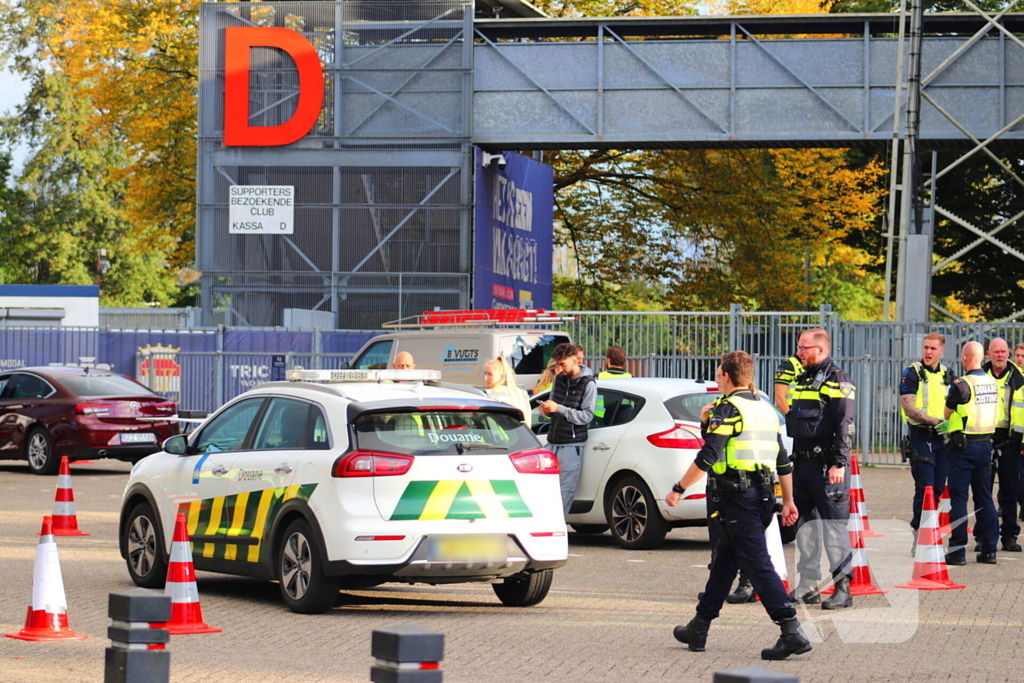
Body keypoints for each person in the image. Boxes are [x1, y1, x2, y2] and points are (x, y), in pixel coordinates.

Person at [668, 351, 810, 661]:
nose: (717, 379)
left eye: (719, 374)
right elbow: (782, 461)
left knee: (758, 564)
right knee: (724, 563)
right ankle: (699, 627)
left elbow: (709, 455)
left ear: (728, 376)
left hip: (736, 498)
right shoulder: (765, 409)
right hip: (761, 497)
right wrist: (788, 501)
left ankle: (791, 630)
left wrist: (679, 488)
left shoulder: (729, 409)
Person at [785, 328, 855, 610]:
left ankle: (843, 588)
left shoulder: (837, 379)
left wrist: (839, 462)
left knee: (833, 527)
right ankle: (808, 584)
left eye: (804, 348)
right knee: (806, 528)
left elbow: (844, 424)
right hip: (803, 463)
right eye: (799, 348)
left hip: (827, 465)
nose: (799, 353)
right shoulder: (802, 379)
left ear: (820, 350)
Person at [940, 341, 999, 565]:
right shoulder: (992, 383)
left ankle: (957, 552)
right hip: (985, 446)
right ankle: (989, 550)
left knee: (959, 499)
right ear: (983, 358)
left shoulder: (962, 385)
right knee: (985, 498)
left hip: (962, 449)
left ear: (964, 358)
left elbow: (947, 414)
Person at [900, 332, 956, 555]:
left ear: (942, 351)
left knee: (939, 489)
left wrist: (951, 425)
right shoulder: (912, 372)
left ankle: (931, 535)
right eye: (926, 347)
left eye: (933, 348)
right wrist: (936, 421)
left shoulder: (948, 374)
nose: (928, 352)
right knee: (925, 488)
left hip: (942, 439)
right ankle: (919, 537)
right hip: (921, 436)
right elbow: (908, 408)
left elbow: (956, 404)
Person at [540, 343, 597, 518]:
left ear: (574, 360)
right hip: (553, 441)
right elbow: (554, 407)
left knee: (564, 491)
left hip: (572, 444)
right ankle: (545, 524)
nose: (560, 369)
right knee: (544, 488)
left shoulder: (588, 383)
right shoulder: (559, 379)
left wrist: (559, 408)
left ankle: (558, 526)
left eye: (563, 364)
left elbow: (586, 416)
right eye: (558, 364)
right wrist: (547, 410)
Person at [982, 337, 1024, 551]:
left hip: (1012, 441)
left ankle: (1009, 536)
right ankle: (983, 537)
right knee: (983, 490)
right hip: (983, 438)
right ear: (988, 354)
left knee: (1009, 490)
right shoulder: (978, 377)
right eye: (996, 352)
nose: (1000, 355)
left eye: (1003, 351)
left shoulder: (1020, 378)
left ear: (1008, 353)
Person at [483, 357, 531, 428]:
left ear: (502, 376)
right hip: (523, 434)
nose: (485, 378)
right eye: (485, 373)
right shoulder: (522, 394)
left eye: (490, 374)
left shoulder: (489, 394)